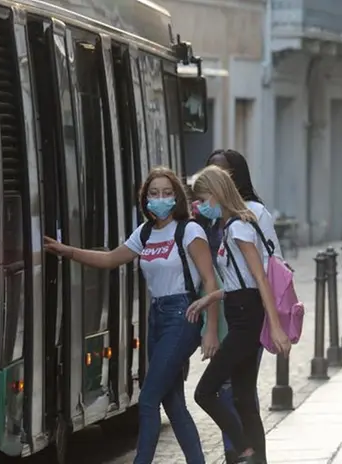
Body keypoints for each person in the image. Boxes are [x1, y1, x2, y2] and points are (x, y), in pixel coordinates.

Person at [43, 167, 219, 464]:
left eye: (166, 193)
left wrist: (210, 330)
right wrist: (66, 251)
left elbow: (210, 281)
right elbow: (111, 258)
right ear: (145, 198)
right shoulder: (146, 232)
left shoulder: (189, 230)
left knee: (148, 399)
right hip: (157, 316)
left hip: (184, 315)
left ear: (176, 197)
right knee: (172, 402)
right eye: (153, 193)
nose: (160, 198)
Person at [187, 165, 291, 464]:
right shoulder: (232, 225)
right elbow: (240, 281)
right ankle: (257, 459)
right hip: (241, 309)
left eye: (204, 199)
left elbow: (259, 279)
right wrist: (212, 297)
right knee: (243, 398)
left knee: (205, 392)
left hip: (247, 317)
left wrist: (275, 326)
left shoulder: (238, 227)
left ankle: (245, 447)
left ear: (218, 194)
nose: (201, 206)